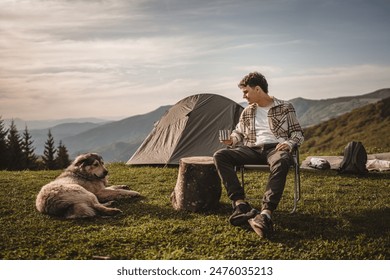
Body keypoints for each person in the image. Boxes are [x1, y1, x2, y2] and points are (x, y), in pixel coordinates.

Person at [213, 71, 304, 238]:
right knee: (220, 155)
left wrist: (289, 143)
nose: (244, 96)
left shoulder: (285, 107)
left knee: (282, 161)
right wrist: (231, 140)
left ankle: (265, 213)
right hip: (252, 149)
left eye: (246, 92)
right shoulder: (247, 111)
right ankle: (241, 205)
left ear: (257, 89)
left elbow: (298, 134)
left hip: (275, 149)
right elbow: (238, 133)